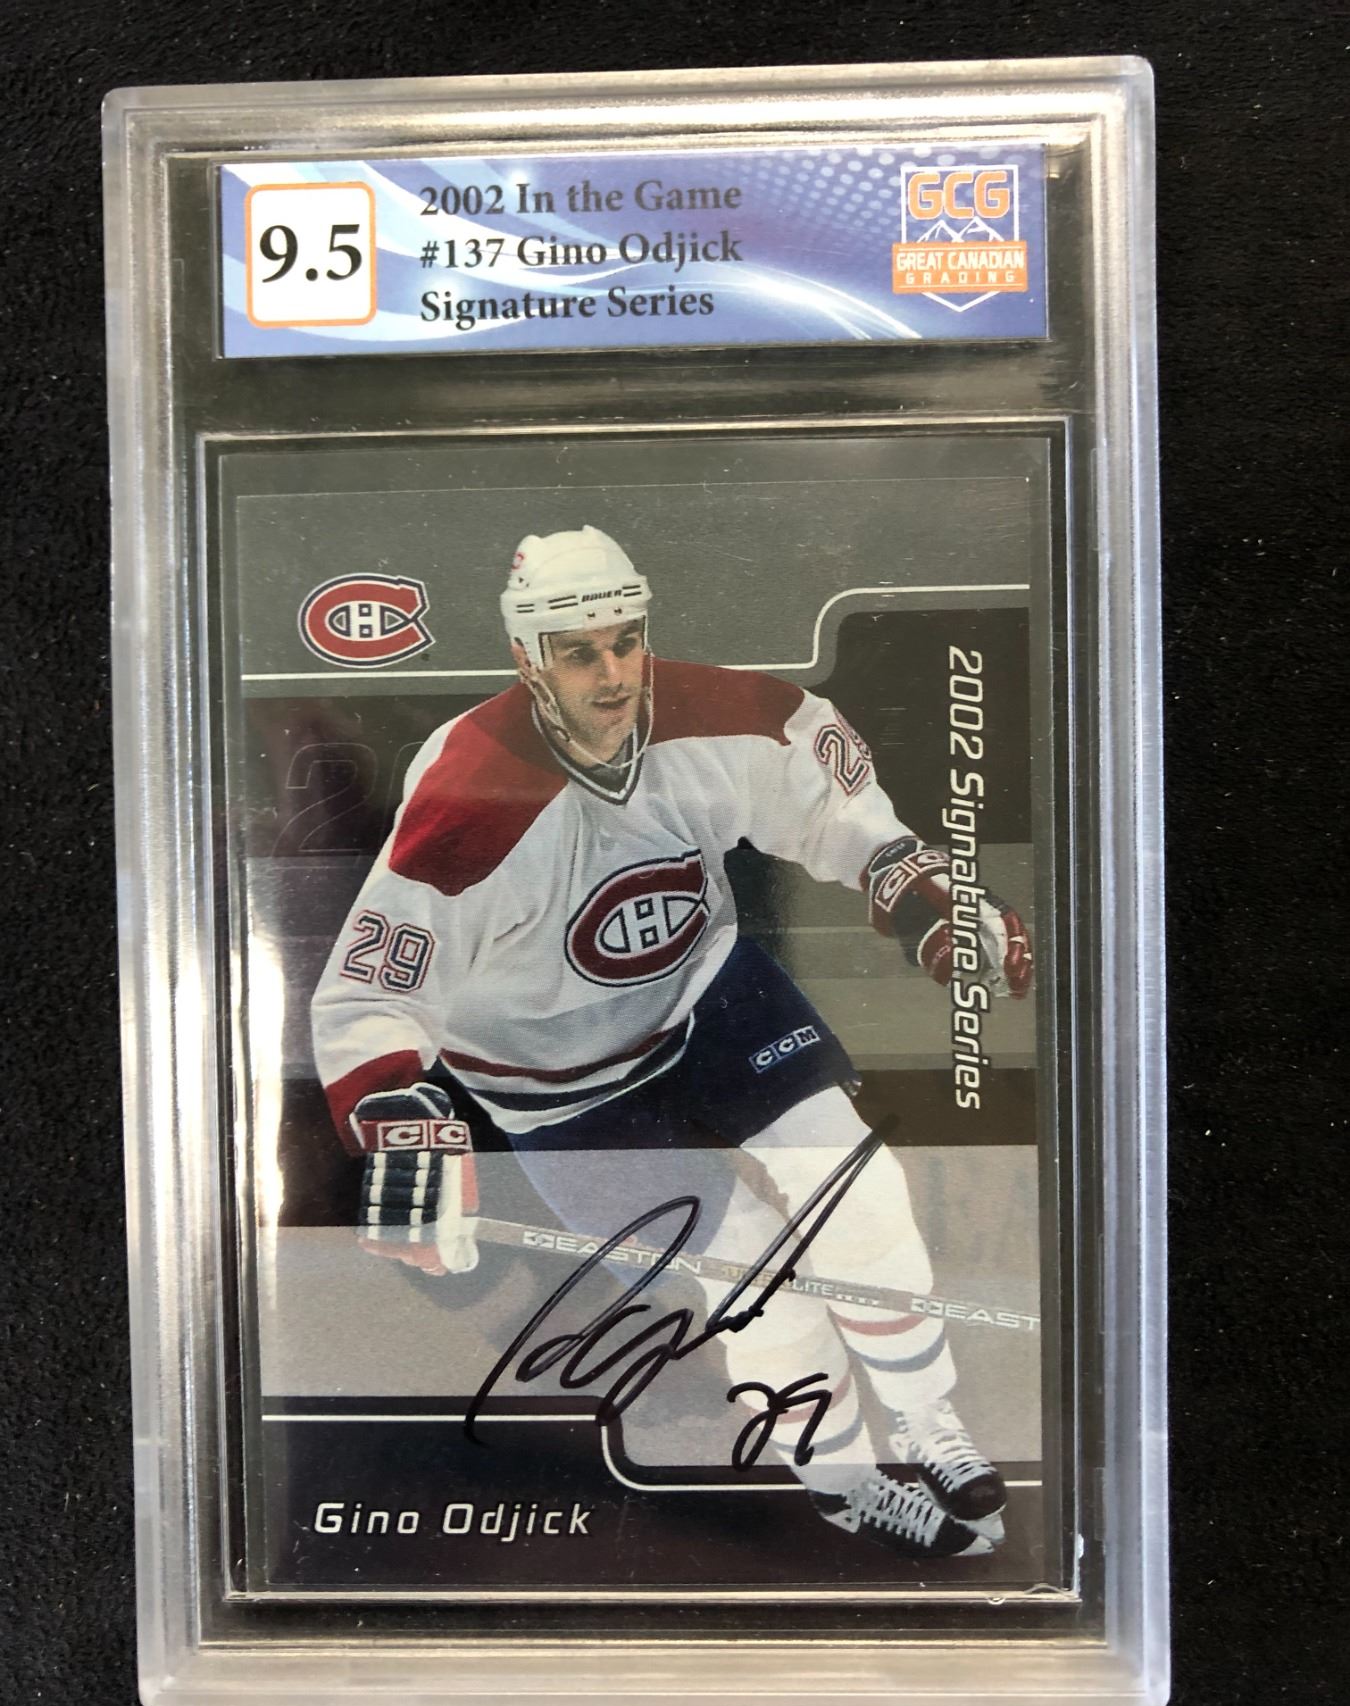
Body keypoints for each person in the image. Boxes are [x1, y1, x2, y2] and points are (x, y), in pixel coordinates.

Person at [311, 526, 1032, 1559]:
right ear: (526, 658)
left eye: (626, 641)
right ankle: (841, 1477)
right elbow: (368, 998)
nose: (613, 675)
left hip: (703, 992)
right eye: (579, 653)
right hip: (556, 1083)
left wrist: (916, 890)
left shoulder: (727, 714)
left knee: (859, 1189)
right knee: (752, 1280)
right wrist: (399, 1124)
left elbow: (839, 813)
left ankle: (928, 1419)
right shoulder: (468, 803)